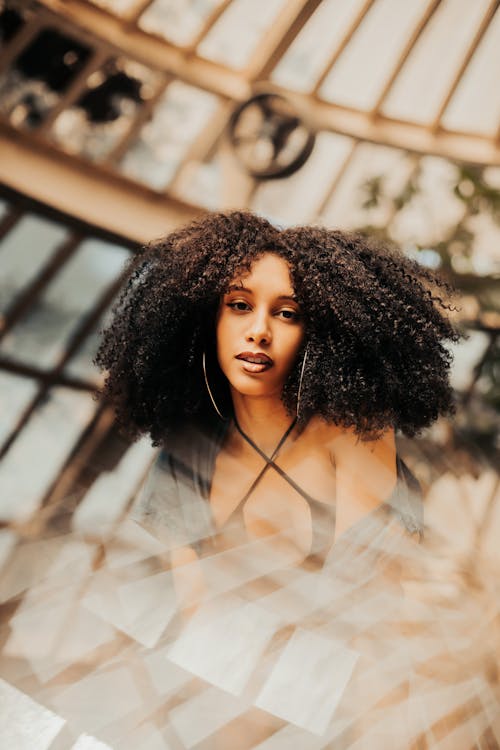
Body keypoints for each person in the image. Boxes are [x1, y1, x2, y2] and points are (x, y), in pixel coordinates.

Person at [90, 211, 498, 748]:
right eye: (239, 305)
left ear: (322, 337)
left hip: (349, 710)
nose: (257, 329)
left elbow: (365, 628)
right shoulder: (193, 447)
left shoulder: (355, 441)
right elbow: (201, 623)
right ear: (205, 318)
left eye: (287, 314)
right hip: (222, 702)